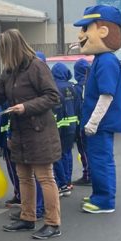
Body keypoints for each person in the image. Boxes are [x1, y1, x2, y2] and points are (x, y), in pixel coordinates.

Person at [0, 30, 62, 239]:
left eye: (3, 50)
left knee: (45, 178)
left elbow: (53, 96)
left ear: (12, 49)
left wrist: (26, 107)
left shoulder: (37, 66)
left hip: (39, 132)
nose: (1, 55)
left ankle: (52, 223)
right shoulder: (9, 72)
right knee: (24, 177)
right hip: (20, 133)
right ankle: (27, 218)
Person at [73, 5, 121, 214]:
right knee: (98, 160)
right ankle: (99, 193)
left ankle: (104, 200)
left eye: (86, 29)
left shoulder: (106, 61)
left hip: (101, 124)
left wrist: (93, 122)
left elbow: (106, 95)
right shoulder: (101, 59)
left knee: (100, 160)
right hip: (98, 123)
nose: (81, 34)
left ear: (103, 32)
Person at [50, 63, 78, 196]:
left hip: (59, 126)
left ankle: (62, 184)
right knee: (67, 153)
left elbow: (54, 110)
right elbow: (77, 107)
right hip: (72, 126)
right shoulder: (71, 87)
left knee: (57, 156)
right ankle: (67, 181)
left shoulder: (54, 88)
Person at [72, 58, 91, 187]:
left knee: (84, 149)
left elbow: (77, 108)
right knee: (90, 150)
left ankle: (88, 175)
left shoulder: (78, 88)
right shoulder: (91, 84)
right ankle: (91, 174)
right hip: (92, 122)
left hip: (81, 124)